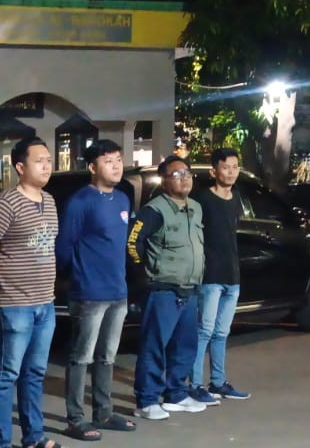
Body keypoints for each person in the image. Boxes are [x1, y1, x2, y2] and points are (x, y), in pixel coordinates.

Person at [0, 137, 61, 448]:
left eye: (49, 160)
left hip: (45, 303)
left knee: (34, 373)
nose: (47, 166)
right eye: (39, 161)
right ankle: (1, 441)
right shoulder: (5, 203)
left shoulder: (49, 201)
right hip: (13, 304)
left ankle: (34, 437)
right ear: (20, 167)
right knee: (6, 374)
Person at [53, 139, 137, 441]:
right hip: (89, 292)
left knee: (107, 356)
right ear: (92, 167)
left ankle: (104, 412)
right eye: (108, 161)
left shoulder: (123, 199)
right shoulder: (80, 202)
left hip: (118, 291)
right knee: (81, 357)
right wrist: (74, 277)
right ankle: (75, 418)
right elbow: (64, 246)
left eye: (118, 160)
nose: (116, 166)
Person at [126, 155, 208, 421]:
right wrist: (145, 273)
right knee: (154, 346)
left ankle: (176, 394)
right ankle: (147, 400)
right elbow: (133, 243)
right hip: (163, 290)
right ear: (164, 181)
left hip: (190, 289)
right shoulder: (155, 210)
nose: (184, 178)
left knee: (185, 346)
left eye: (187, 173)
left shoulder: (195, 207)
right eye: (176, 174)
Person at [188, 148, 250, 403]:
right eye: (226, 167)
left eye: (235, 167)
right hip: (210, 275)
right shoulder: (203, 199)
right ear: (214, 171)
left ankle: (218, 382)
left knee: (222, 333)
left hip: (232, 276)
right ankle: (194, 384)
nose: (231, 172)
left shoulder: (236, 198)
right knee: (204, 330)